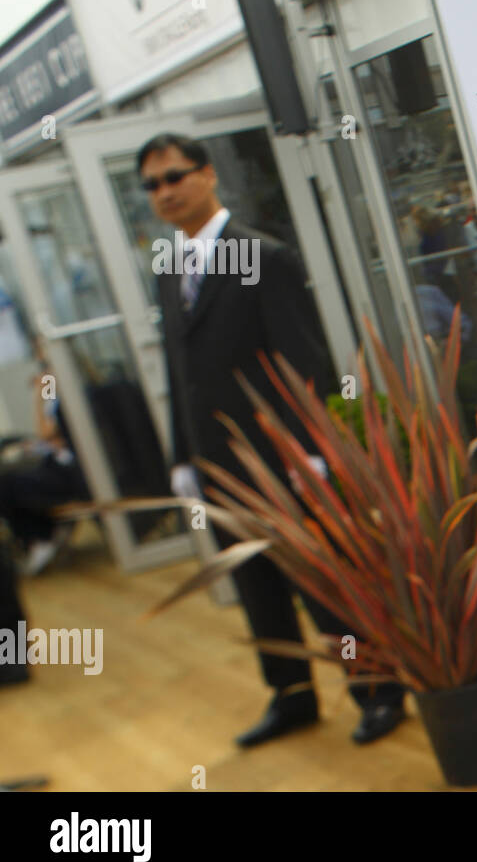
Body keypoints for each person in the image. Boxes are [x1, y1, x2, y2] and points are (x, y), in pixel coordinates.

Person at [139, 133, 406, 747]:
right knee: (255, 584)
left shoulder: (264, 256)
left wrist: (313, 449)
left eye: (175, 176)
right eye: (153, 185)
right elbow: (181, 372)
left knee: (322, 579)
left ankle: (378, 688)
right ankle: (290, 695)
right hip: (218, 463)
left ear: (208, 175)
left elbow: (303, 359)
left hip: (281, 458)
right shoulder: (169, 268)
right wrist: (182, 456)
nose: (166, 192)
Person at [0, 344, 88, 578]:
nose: (42, 372)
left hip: (71, 473)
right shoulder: (59, 396)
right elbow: (49, 437)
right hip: (58, 464)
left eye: (46, 366)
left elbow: (45, 432)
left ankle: (41, 537)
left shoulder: (68, 396)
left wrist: (39, 396)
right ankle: (44, 533)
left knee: (7, 485)